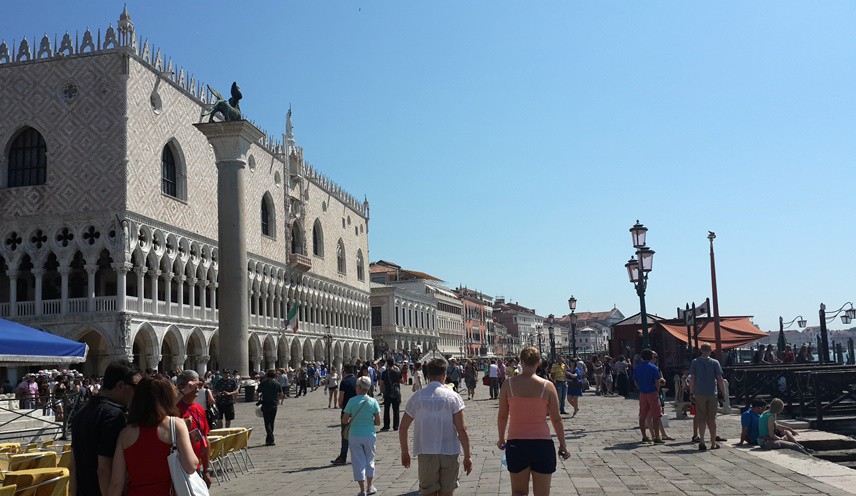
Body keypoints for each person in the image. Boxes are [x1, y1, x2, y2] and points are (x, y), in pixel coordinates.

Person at [107, 375, 198, 496]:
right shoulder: (176, 425)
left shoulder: (125, 434)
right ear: (167, 397)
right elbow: (190, 465)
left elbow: (116, 483)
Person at [497, 348, 570, 496]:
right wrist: (563, 444)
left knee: (518, 492)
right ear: (539, 362)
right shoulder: (547, 386)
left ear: (521, 362)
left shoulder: (508, 384)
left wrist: (501, 438)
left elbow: (503, 415)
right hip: (542, 445)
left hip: (516, 444)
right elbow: (556, 418)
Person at [399, 358, 473, 496]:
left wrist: (405, 451)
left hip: (426, 452)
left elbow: (403, 427)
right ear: (445, 375)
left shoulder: (417, 397)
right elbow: (462, 429)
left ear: (428, 375)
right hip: (449, 451)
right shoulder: (453, 397)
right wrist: (467, 456)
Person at [71, 360, 140, 496]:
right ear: (120, 385)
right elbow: (104, 468)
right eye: (136, 388)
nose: (138, 394)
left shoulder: (81, 413)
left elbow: (72, 466)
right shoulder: (113, 415)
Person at [343, 376, 382, 496]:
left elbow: (344, 420)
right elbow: (378, 421)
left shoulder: (352, 401)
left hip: (355, 435)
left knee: (358, 461)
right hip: (369, 434)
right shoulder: (373, 401)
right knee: (370, 460)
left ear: (359, 388)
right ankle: (370, 486)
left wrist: (351, 420)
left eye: (356, 386)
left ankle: (362, 490)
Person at [176, 370, 212, 487]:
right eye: (193, 386)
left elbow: (205, 438)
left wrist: (206, 469)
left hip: (196, 466)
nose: (197, 389)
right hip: (180, 466)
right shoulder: (174, 409)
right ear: (182, 387)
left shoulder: (199, 409)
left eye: (199, 386)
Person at [689, 342, 726, 450]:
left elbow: (692, 378)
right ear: (710, 351)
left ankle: (702, 441)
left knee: (701, 418)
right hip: (712, 393)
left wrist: (691, 392)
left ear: (701, 350)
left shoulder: (695, 362)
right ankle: (713, 442)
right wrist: (723, 393)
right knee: (711, 419)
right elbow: (720, 379)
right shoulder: (715, 363)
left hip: (699, 393)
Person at [634, 349, 664, 445]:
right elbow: (657, 381)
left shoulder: (637, 368)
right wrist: (657, 391)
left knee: (642, 416)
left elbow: (635, 381)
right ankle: (656, 436)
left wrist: (640, 388)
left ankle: (644, 436)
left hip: (642, 393)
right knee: (655, 415)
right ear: (651, 357)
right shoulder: (654, 368)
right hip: (652, 392)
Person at [332, 364, 358, 465]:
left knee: (345, 434)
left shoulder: (344, 382)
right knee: (356, 434)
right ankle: (358, 455)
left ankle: (343, 457)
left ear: (344, 372)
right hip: (357, 411)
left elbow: (341, 398)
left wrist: (341, 405)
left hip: (347, 411)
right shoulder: (357, 380)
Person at [380, 358, 403, 431]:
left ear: (387, 363)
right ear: (393, 363)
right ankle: (396, 426)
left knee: (386, 410)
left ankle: (386, 426)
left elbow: (382, 383)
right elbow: (401, 381)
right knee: (396, 410)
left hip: (387, 393)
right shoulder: (397, 372)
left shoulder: (384, 373)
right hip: (395, 393)